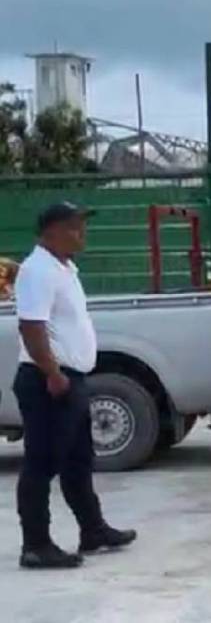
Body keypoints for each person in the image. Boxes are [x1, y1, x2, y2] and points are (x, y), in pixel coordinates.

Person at [12, 202, 137, 569]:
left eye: (82, 226)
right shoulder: (38, 271)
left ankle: (93, 530)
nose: (81, 233)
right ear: (50, 231)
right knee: (42, 463)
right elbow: (31, 328)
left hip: (70, 378)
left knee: (78, 460)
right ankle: (36, 545)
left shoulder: (64, 268)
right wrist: (52, 373)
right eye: (73, 227)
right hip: (48, 380)